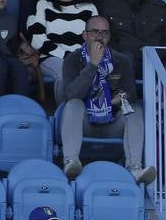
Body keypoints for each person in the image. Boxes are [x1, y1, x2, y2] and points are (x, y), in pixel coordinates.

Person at [59, 15, 155, 183]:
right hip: (84, 122)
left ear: (109, 37)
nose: (100, 37)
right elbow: (71, 94)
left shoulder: (121, 61)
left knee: (134, 110)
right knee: (74, 104)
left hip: (112, 121)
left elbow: (130, 94)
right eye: (95, 32)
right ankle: (71, 162)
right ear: (85, 35)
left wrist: (118, 99)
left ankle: (134, 168)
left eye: (104, 33)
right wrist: (92, 65)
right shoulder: (73, 59)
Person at [26, 0, 98, 92]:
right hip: (51, 58)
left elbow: (96, 40)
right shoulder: (42, 4)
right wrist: (67, 56)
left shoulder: (90, 8)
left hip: (82, 59)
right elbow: (37, 40)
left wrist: (81, 58)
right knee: (66, 75)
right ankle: (68, 111)